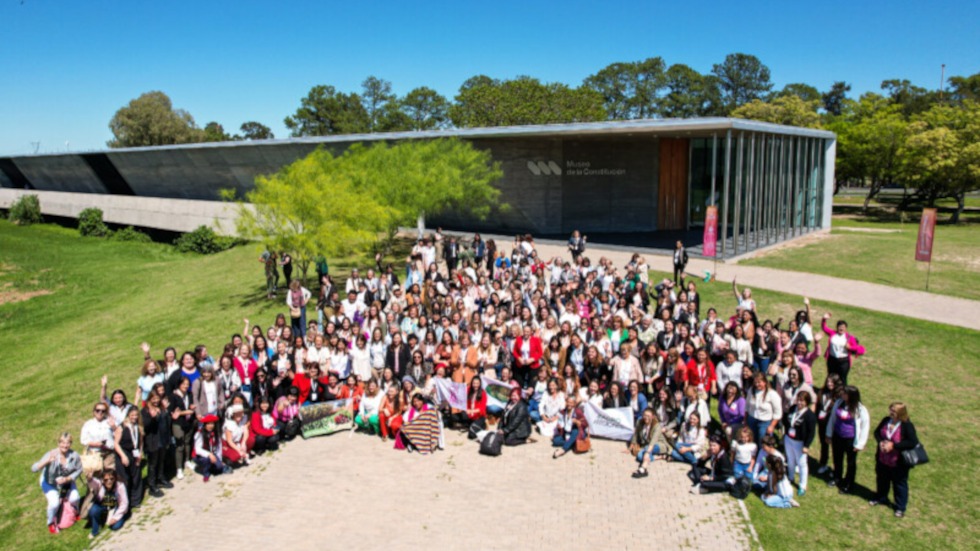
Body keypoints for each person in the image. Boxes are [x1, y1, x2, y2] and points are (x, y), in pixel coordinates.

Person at [870, 402, 920, 518]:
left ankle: (900, 507)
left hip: (898, 462)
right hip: (883, 458)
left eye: (894, 411)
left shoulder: (907, 425)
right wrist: (881, 442)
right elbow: (877, 433)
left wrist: (894, 446)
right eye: (890, 410)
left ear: (901, 413)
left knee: (899, 484)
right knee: (882, 480)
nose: (891, 412)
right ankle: (881, 497)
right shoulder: (886, 420)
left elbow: (912, 442)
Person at [31, 433, 82, 534]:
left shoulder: (74, 455)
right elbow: (33, 469)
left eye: (68, 443)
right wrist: (47, 462)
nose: (65, 445)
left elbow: (79, 469)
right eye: (62, 442)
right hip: (49, 483)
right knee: (54, 503)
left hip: (66, 482)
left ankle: (75, 511)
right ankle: (51, 522)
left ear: (71, 444)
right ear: (58, 443)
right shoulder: (51, 454)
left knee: (75, 497)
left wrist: (67, 478)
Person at [825, 385, 870, 494]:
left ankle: (848, 483)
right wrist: (829, 434)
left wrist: (860, 444)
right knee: (837, 458)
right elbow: (832, 418)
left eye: (845, 393)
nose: (842, 394)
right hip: (837, 436)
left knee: (851, 463)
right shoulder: (839, 403)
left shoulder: (860, 409)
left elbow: (865, 426)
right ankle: (837, 477)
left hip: (850, 440)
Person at [783, 391, 817, 496]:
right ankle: (791, 477)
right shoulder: (793, 408)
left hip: (800, 442)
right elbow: (786, 419)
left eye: (802, 401)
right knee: (790, 460)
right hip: (789, 439)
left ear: (807, 402)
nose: (799, 403)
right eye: (798, 400)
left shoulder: (810, 416)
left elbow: (812, 433)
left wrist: (806, 446)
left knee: (802, 464)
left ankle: (802, 485)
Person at [140, 391, 172, 498]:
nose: (156, 401)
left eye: (157, 398)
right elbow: (145, 427)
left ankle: (161, 478)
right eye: (153, 399)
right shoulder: (145, 411)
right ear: (149, 399)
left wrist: (167, 411)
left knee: (161, 460)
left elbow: (167, 423)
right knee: (152, 464)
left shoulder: (162, 408)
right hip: (152, 441)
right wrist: (152, 418)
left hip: (162, 439)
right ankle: (152, 486)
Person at [821, 312, 866, 385]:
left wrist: (850, 347)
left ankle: (843, 394)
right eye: (839, 326)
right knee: (831, 377)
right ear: (837, 327)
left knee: (842, 379)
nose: (841, 328)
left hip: (843, 362)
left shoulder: (849, 337)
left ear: (846, 328)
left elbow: (860, 349)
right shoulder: (833, 333)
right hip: (832, 360)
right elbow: (824, 328)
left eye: (843, 327)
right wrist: (824, 319)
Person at [112, 406, 143, 509]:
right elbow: (116, 444)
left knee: (136, 477)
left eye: (136, 415)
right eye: (132, 415)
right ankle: (125, 502)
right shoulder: (121, 427)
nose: (134, 417)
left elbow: (141, 442)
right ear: (128, 415)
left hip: (135, 453)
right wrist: (123, 456)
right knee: (124, 478)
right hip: (123, 453)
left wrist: (140, 454)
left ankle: (136, 500)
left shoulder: (138, 426)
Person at [85, 469, 128, 539]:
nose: (109, 481)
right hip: (104, 504)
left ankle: (118, 516)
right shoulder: (100, 484)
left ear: (115, 478)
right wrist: (90, 479)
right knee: (93, 510)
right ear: (103, 480)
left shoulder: (120, 486)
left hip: (116, 506)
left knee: (115, 526)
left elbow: (124, 503)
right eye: (106, 480)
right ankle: (95, 530)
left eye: (111, 479)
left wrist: (115, 518)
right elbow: (94, 483)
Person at [168, 376, 196, 480]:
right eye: (183, 384)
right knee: (179, 445)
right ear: (179, 384)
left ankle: (187, 460)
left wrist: (192, 407)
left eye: (187, 384)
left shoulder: (189, 394)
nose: (186, 386)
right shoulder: (173, 396)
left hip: (188, 422)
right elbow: (172, 412)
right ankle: (179, 468)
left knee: (188, 442)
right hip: (178, 423)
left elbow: (190, 406)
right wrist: (185, 412)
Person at [815, 373, 842, 476]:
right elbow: (818, 406)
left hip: (834, 425)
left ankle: (836, 469)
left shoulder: (839, 396)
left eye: (832, 382)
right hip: (822, 423)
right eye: (828, 382)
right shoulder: (822, 392)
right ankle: (823, 464)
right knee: (823, 444)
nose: (829, 384)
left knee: (835, 448)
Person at [629, 408, 668, 478]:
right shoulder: (639, 422)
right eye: (644, 415)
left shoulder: (657, 426)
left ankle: (643, 469)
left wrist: (647, 452)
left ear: (653, 417)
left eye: (648, 416)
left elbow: (653, 441)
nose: (646, 418)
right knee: (639, 456)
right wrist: (631, 445)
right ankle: (660, 457)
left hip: (659, 444)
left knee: (646, 451)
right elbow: (635, 434)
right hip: (647, 445)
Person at [746, 373, 782, 447]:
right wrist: (745, 421)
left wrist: (772, 426)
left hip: (765, 422)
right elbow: (747, 406)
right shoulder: (751, 390)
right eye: (755, 382)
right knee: (751, 441)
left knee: (763, 443)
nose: (757, 384)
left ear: (765, 382)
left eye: (759, 382)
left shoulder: (772, 394)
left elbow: (778, 413)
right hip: (752, 419)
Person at [194, 414, 231, 482]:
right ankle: (206, 473)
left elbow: (218, 448)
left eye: (212, 424)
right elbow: (198, 450)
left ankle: (210, 467)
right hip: (201, 456)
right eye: (208, 424)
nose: (210, 426)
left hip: (212, 454)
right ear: (205, 425)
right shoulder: (199, 434)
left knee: (219, 466)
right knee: (206, 460)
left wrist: (220, 459)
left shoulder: (216, 433)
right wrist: (209, 454)